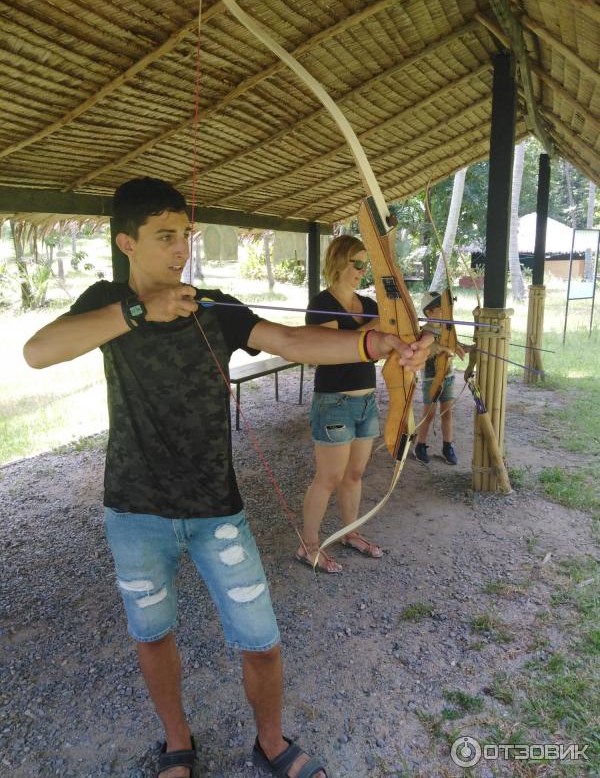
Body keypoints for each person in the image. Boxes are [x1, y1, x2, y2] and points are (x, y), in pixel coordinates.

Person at [23, 178, 433, 778]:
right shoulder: (107, 301)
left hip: (217, 508)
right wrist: (139, 311)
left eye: (184, 234)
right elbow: (38, 352)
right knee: (153, 635)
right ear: (126, 243)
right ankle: (178, 743)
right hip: (136, 510)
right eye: (165, 237)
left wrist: (377, 343)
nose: (181, 249)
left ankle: (270, 743)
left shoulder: (210, 304)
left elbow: (292, 340)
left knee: (261, 641)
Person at [296, 235, 383, 575]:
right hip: (334, 401)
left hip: (366, 401)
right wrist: (374, 330)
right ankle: (308, 545)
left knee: (356, 473)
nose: (362, 270)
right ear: (338, 261)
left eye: (365, 264)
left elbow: (387, 341)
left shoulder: (370, 305)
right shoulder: (322, 304)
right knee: (329, 477)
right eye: (356, 263)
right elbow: (334, 346)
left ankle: (350, 533)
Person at [413, 291, 466, 466]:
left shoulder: (446, 329)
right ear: (428, 312)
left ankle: (447, 446)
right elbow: (422, 347)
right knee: (429, 414)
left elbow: (455, 346)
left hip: (448, 377)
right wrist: (442, 348)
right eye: (440, 308)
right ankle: (420, 445)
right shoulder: (426, 332)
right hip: (431, 380)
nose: (445, 311)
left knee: (447, 413)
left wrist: (468, 347)